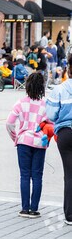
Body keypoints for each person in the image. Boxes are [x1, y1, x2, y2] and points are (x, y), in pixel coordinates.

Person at [7, 72, 50, 218]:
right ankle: (34, 209)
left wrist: (16, 137)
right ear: (42, 87)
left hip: (23, 141)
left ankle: (24, 208)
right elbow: (51, 124)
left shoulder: (20, 103)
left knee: (24, 175)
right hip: (39, 142)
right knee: (37, 176)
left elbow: (9, 123)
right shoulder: (46, 104)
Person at [47, 53, 72, 225]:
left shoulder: (60, 89)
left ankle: (70, 215)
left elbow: (50, 114)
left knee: (69, 175)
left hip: (66, 133)